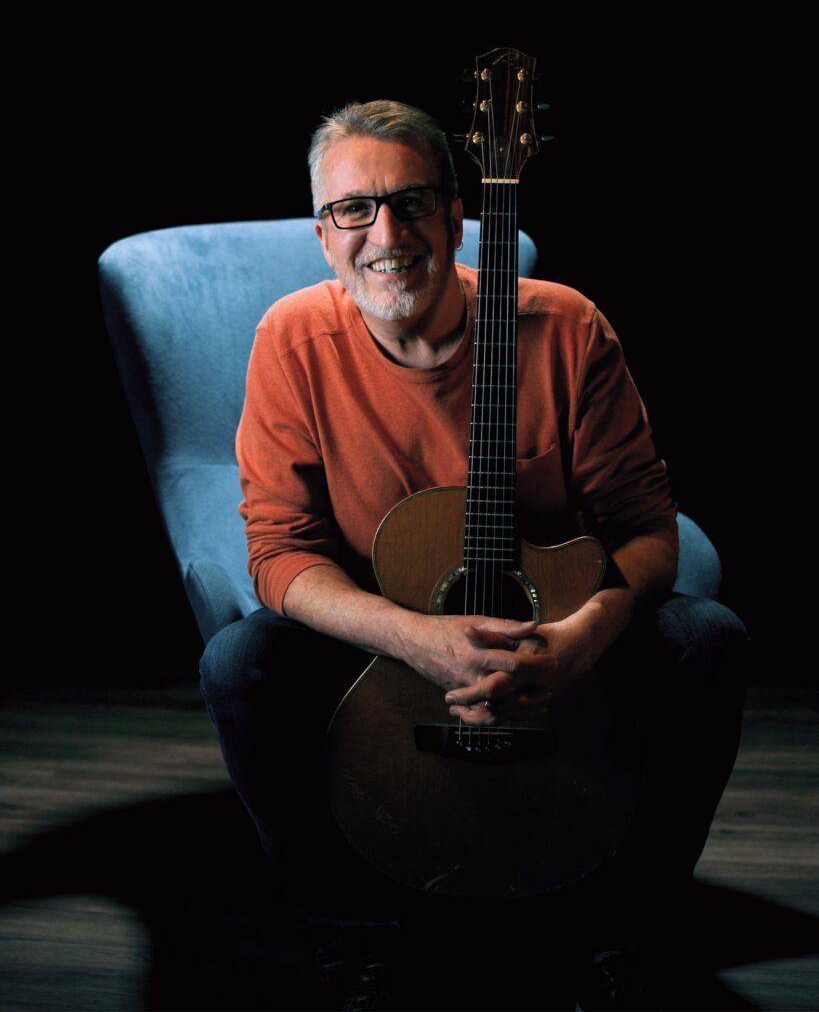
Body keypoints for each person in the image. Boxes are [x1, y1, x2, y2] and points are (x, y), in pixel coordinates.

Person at [200, 100, 748, 1009]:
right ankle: (353, 939)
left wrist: (582, 638)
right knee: (240, 661)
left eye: (412, 203)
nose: (386, 234)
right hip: (384, 632)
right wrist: (414, 637)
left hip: (553, 619)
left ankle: (624, 933)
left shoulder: (565, 327)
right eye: (353, 210)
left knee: (707, 640)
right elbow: (278, 552)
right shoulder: (291, 339)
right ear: (321, 233)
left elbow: (648, 527)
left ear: (460, 218)